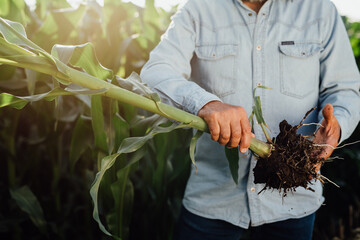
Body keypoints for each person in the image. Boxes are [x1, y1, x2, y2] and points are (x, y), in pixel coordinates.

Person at [140, 0, 360, 239]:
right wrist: (205, 103)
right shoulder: (198, 9)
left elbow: (344, 89)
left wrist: (337, 125)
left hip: (293, 202)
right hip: (212, 200)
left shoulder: (319, 10)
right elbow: (156, 72)